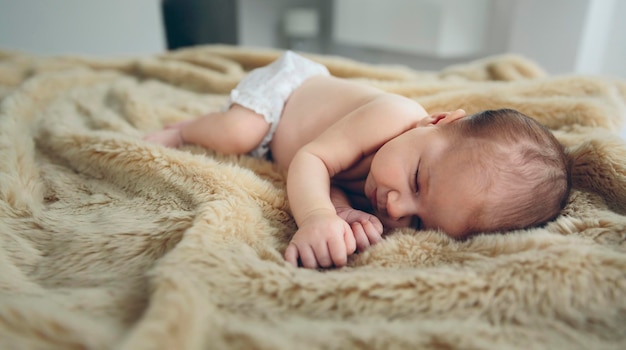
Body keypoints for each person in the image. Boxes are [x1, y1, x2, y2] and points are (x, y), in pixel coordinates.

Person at [145, 51, 571, 269]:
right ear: (435, 121)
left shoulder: (393, 180)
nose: (397, 208)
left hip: (305, 140)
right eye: (418, 182)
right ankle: (184, 129)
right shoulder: (394, 117)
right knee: (238, 133)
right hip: (284, 96)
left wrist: (344, 211)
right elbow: (312, 160)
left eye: (420, 223)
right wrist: (315, 218)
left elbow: (337, 179)